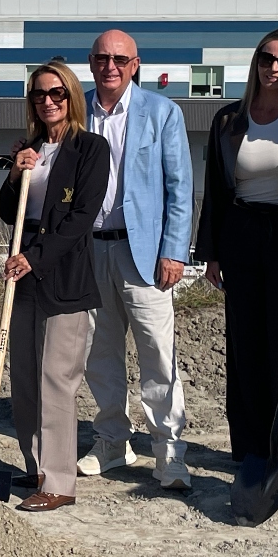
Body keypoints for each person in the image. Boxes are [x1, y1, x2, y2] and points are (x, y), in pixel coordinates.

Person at [194, 29, 278, 482]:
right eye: (267, 58)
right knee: (245, 343)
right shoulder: (229, 118)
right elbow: (216, 188)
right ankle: (251, 447)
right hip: (241, 233)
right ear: (256, 62)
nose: (275, 68)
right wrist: (211, 252)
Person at [79, 30, 194, 489]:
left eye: (120, 59)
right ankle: (112, 441)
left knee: (157, 354)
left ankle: (169, 451)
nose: (110, 66)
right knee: (99, 352)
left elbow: (180, 188)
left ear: (135, 64)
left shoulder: (162, 112)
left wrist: (174, 251)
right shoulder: (76, 111)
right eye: (102, 58)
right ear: (91, 62)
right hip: (89, 250)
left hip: (143, 252)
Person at [0, 61, 109, 512]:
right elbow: (7, 211)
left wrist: (35, 258)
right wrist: (14, 173)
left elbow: (81, 218)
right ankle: (37, 467)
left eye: (57, 93)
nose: (48, 101)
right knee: (24, 378)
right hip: (23, 272)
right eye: (40, 94)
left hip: (63, 275)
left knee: (56, 380)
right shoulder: (29, 148)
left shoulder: (90, 149)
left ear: (72, 97)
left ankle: (60, 482)